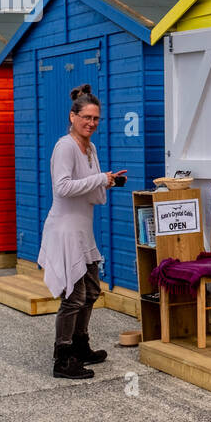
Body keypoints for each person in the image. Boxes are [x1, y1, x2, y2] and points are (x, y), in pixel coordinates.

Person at [39, 84, 128, 379]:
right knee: (73, 296)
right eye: (86, 117)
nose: (91, 123)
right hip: (64, 229)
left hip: (82, 230)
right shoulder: (65, 146)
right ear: (73, 116)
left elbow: (94, 194)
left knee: (90, 292)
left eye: (96, 119)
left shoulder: (90, 148)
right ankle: (62, 359)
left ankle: (80, 346)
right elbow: (62, 187)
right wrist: (100, 179)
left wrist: (107, 182)